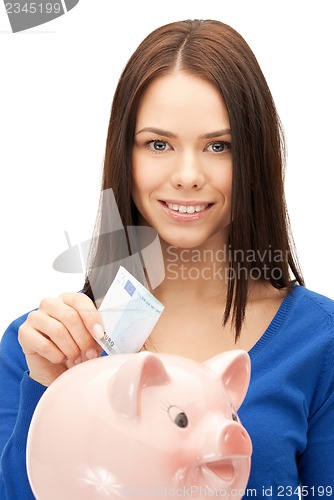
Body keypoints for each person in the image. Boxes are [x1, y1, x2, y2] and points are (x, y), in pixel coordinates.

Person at [0, 19, 333, 499]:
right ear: (124, 154)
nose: (188, 175)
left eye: (219, 146)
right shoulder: (41, 349)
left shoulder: (321, 344)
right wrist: (48, 393)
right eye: (159, 144)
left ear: (256, 158)